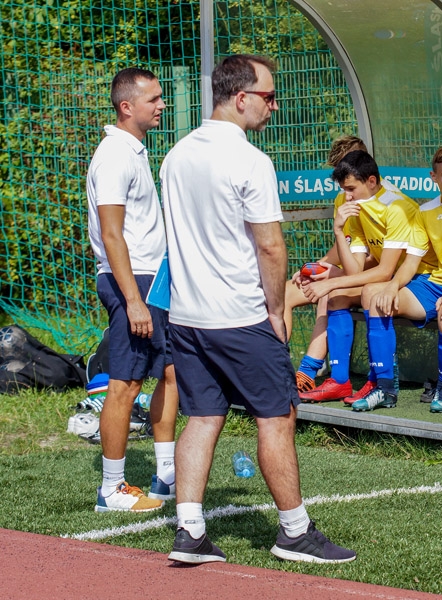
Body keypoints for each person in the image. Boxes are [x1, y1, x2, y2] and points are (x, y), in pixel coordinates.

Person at [160, 54, 355, 564]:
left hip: (187, 316)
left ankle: (190, 531)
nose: (274, 105)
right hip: (239, 315)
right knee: (278, 416)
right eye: (268, 96)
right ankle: (293, 531)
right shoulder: (250, 160)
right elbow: (270, 247)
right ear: (240, 96)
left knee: (202, 417)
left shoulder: (176, 154)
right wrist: (275, 308)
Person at [86, 67, 179, 512]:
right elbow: (111, 234)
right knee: (124, 383)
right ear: (127, 107)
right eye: (154, 99)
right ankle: (111, 488)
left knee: (171, 372)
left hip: (153, 278)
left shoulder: (135, 151)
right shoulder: (113, 155)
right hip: (132, 283)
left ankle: (165, 475)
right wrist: (134, 300)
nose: (162, 105)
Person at [360, 145, 442, 413]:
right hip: (435, 284)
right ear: (434, 177)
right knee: (377, 300)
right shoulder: (425, 212)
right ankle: (385, 389)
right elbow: (411, 262)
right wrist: (391, 287)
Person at [297, 150, 421, 405]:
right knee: (338, 296)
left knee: (366, 293)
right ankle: (339, 382)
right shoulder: (355, 206)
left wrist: (330, 281)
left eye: (351, 188)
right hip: (387, 280)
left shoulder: (397, 207)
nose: (347, 195)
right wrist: (339, 231)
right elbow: (356, 272)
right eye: (344, 189)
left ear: (372, 182)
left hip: (415, 281)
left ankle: (378, 381)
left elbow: (386, 271)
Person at [285, 135, 366, 396]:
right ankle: (275, 367)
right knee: (284, 292)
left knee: (328, 289)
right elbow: (341, 246)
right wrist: (312, 267)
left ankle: (307, 372)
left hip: (371, 278)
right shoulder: (343, 200)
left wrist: (326, 275)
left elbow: (380, 257)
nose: (345, 185)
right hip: (346, 271)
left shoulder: (383, 200)